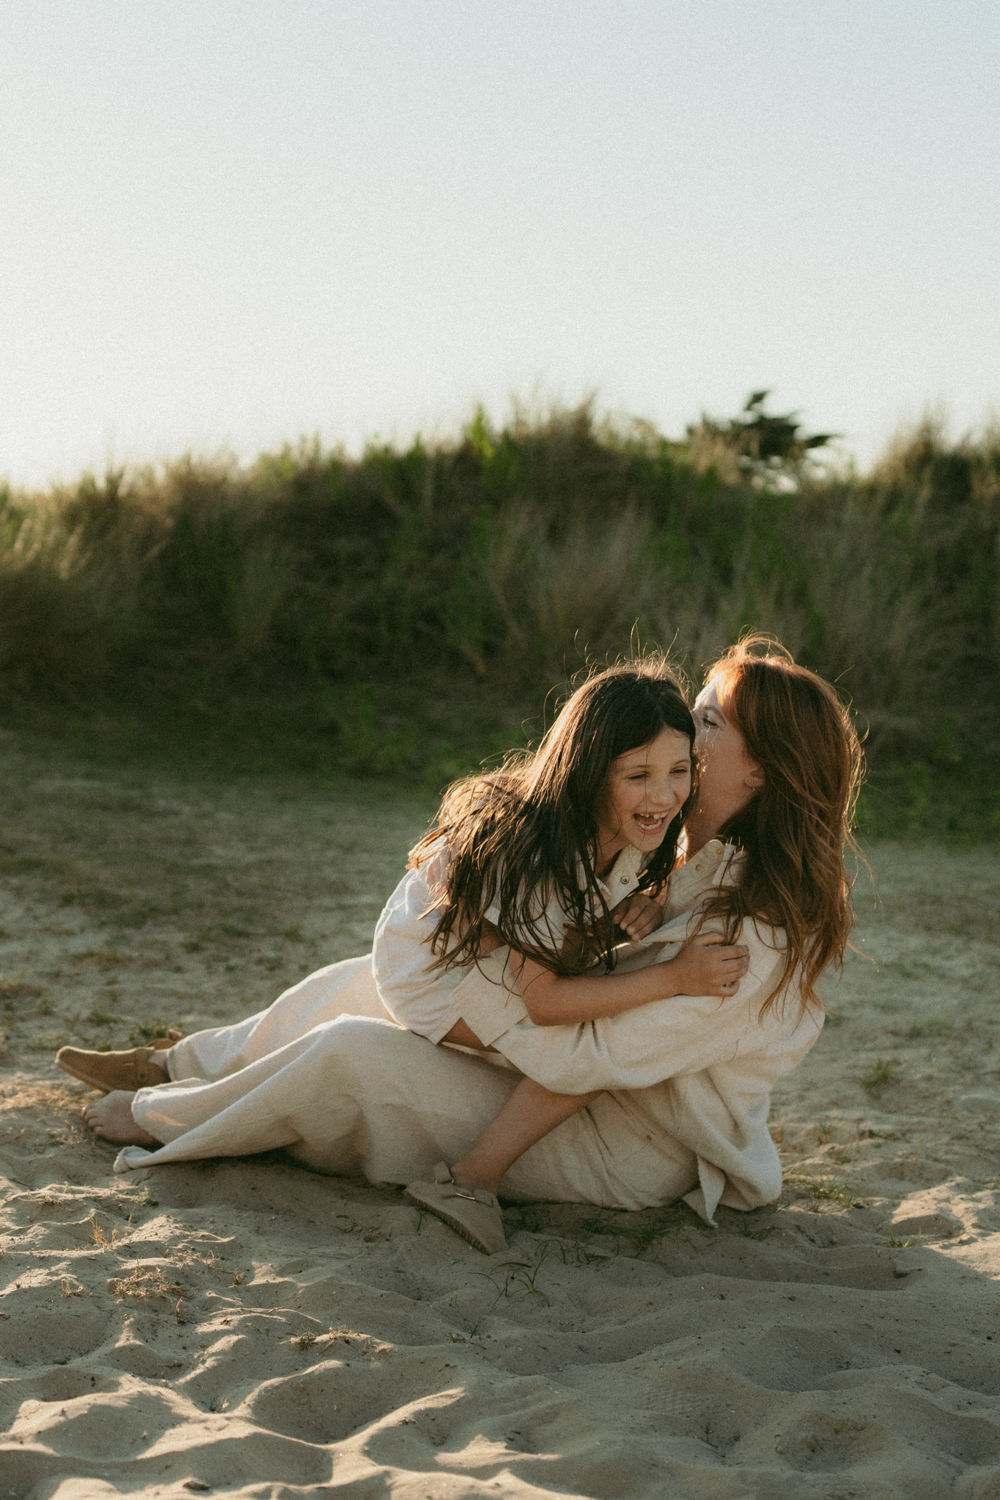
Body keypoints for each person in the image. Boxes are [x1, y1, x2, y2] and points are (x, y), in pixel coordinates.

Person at [56, 637, 860, 1254]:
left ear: (763, 772)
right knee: (358, 984)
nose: (688, 722)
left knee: (357, 1054)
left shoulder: (756, 937)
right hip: (579, 1071)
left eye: (711, 721)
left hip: (628, 1141)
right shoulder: (686, 858)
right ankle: (181, 1062)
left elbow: (592, 1052)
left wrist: (507, 988)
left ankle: (165, 1116)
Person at [370, 665, 751, 1251]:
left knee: (601, 1012)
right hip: (430, 972)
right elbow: (546, 1003)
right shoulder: (539, 845)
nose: (663, 795)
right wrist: (676, 977)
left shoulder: (625, 829)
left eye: (680, 771)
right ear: (589, 772)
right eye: (638, 775)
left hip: (495, 950)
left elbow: (578, 911)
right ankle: (468, 1182)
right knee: (587, 1049)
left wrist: (636, 907)